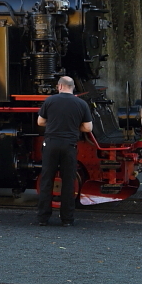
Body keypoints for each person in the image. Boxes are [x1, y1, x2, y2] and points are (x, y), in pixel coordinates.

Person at [36, 75, 93, 226]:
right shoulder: (81, 103)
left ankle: (43, 218)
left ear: (60, 86)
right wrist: (74, 127)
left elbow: (40, 121)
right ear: (72, 87)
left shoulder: (49, 101)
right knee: (68, 181)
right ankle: (67, 219)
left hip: (51, 144)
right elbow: (88, 128)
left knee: (47, 180)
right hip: (69, 145)